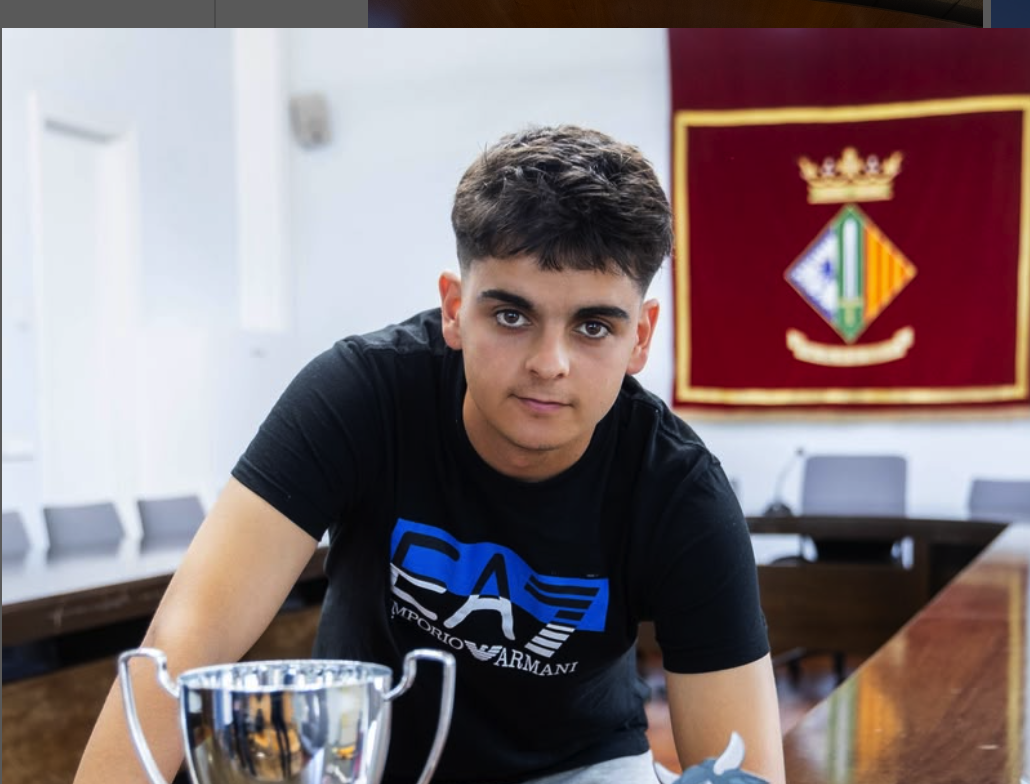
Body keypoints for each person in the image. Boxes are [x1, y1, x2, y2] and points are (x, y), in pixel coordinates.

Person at [73, 125, 785, 784]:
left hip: (580, 767)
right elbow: (187, 638)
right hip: (362, 759)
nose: (549, 363)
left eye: (593, 326)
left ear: (641, 336)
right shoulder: (359, 395)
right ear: (453, 307)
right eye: (511, 315)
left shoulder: (680, 490)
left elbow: (742, 767)